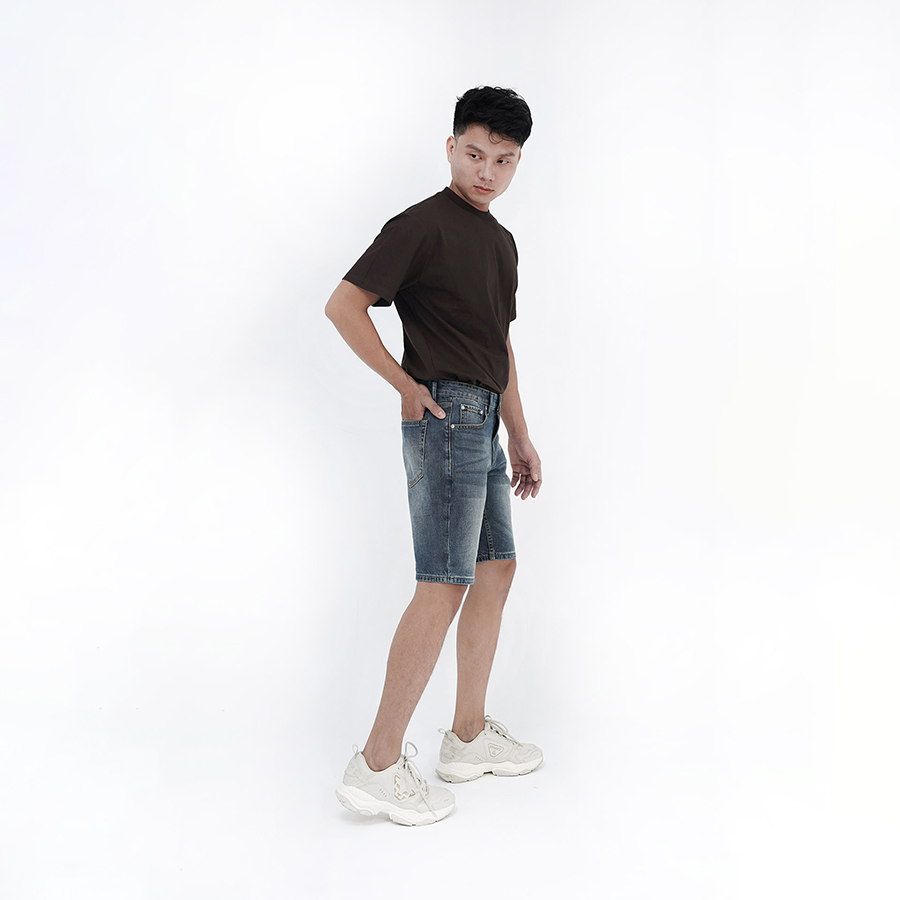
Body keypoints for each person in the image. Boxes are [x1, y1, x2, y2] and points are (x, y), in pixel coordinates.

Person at [325, 86, 543, 826]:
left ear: (517, 163)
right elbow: (345, 305)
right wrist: (405, 385)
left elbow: (499, 344)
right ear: (451, 148)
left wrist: (520, 432)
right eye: (474, 154)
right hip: (445, 415)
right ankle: (377, 765)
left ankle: (468, 738)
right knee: (443, 583)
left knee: (495, 568)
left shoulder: (501, 243)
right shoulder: (420, 225)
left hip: (484, 422)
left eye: (503, 161)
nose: (486, 171)